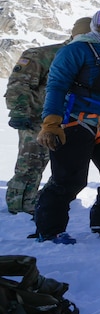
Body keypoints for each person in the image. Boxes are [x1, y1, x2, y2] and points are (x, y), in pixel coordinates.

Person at [33, 8, 100, 245]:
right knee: (69, 180)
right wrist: (51, 123)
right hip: (74, 122)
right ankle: (50, 230)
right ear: (99, 27)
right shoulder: (75, 51)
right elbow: (56, 86)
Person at [5, 17, 92, 215]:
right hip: (36, 120)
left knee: (63, 169)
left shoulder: (86, 59)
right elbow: (19, 84)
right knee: (30, 165)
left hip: (68, 123)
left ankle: (42, 202)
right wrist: (18, 112)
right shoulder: (43, 54)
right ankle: (18, 208)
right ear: (76, 33)